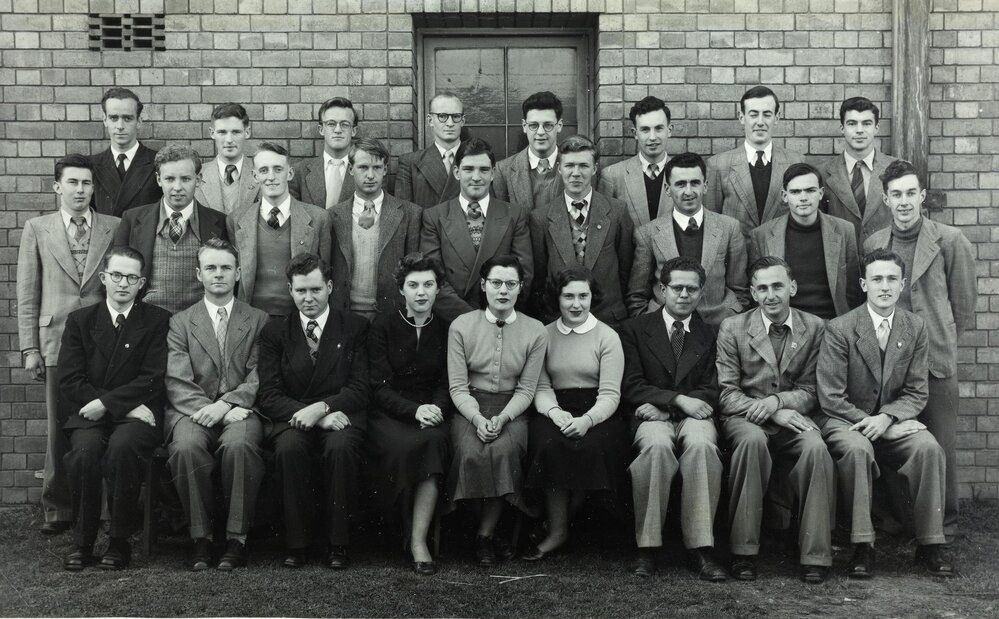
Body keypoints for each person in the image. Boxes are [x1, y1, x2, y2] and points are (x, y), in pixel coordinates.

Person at [817, 248, 953, 578]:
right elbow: (831, 397)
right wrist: (877, 425)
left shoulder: (915, 326)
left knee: (928, 448)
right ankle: (864, 546)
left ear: (903, 284)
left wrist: (888, 419)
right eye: (877, 279)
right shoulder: (840, 328)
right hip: (846, 420)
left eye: (892, 279)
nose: (884, 286)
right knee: (859, 450)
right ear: (864, 284)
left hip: (891, 419)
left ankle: (930, 545)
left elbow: (917, 390)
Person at [864, 160, 976, 537]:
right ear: (886, 199)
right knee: (897, 441)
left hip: (936, 361)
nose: (905, 202)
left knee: (939, 443)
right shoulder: (875, 243)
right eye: (897, 194)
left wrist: (936, 341)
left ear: (923, 196)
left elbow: (962, 307)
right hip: (889, 361)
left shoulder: (950, 240)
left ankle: (944, 524)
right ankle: (900, 519)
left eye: (911, 193)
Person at [17, 154, 121, 535]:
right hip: (55, 340)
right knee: (58, 427)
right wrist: (30, 348)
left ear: (95, 188)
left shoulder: (114, 226)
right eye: (73, 183)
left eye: (87, 183)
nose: (80, 190)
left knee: (104, 422)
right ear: (57, 186)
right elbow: (27, 291)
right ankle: (58, 508)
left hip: (103, 342)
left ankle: (106, 510)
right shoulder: (38, 228)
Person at [715, 256, 834, 583]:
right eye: (762, 288)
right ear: (753, 292)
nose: (771, 295)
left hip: (794, 415)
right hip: (746, 416)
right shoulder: (733, 327)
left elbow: (814, 389)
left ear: (792, 287)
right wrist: (769, 408)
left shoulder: (815, 327)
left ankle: (815, 554)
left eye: (778, 286)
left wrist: (779, 402)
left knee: (815, 448)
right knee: (752, 444)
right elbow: (726, 392)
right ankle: (743, 551)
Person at [57, 246, 171, 571]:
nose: (123, 283)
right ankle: (82, 542)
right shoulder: (81, 321)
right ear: (104, 277)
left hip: (136, 414)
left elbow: (153, 378)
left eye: (131, 277)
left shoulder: (157, 320)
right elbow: (69, 379)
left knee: (123, 448)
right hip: (90, 411)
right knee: (84, 452)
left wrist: (110, 404)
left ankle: (119, 541)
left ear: (141, 282)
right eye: (117, 275)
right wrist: (119, 406)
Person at [255, 253, 369, 569]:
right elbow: (270, 395)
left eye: (316, 290)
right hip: (294, 417)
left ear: (330, 287)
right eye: (301, 291)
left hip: (341, 413)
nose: (309, 298)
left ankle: (338, 544)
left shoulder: (355, 326)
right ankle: (298, 544)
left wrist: (323, 408)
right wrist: (313, 414)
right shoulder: (275, 332)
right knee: (289, 449)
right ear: (290, 290)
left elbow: (361, 388)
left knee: (341, 447)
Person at [165, 238, 269, 571]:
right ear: (199, 274)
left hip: (241, 408)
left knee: (239, 446)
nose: (218, 274)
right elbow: (177, 380)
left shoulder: (258, 319)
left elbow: (259, 374)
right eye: (211, 267)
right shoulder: (181, 321)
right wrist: (207, 409)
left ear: (238, 273)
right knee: (185, 448)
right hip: (192, 409)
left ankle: (236, 539)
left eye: (226, 267)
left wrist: (226, 405)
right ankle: (201, 538)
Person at [619, 257, 726, 580]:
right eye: (676, 288)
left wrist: (671, 408)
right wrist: (676, 400)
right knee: (656, 448)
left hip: (693, 413)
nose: (684, 295)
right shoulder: (634, 329)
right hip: (651, 413)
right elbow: (631, 384)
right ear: (661, 289)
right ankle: (647, 547)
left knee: (703, 446)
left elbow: (712, 387)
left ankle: (701, 547)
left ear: (701, 292)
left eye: (691, 289)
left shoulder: (709, 333)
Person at [446, 256, 548, 566]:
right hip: (470, 408)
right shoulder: (461, 325)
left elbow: (527, 389)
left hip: (511, 409)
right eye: (496, 283)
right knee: (470, 452)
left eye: (510, 284)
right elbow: (458, 387)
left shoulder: (535, 330)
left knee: (503, 451)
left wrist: (503, 418)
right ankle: (480, 528)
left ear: (520, 288)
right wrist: (477, 418)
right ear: (483, 285)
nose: (503, 291)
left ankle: (485, 535)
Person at [522, 267, 629, 561]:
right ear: (557, 299)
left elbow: (610, 394)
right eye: (568, 296)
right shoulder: (543, 335)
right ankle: (558, 531)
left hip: (597, 411)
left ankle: (564, 523)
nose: (576, 304)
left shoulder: (608, 337)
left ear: (593, 297)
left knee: (591, 446)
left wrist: (586, 420)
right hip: (555, 407)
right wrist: (555, 414)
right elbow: (541, 386)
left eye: (583, 296)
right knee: (549, 442)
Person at [366, 253, 452, 575]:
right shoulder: (383, 326)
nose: (421, 292)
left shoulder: (445, 329)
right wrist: (414, 410)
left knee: (432, 443)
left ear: (437, 289)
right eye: (413, 285)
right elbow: (379, 387)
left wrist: (436, 410)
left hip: (432, 411)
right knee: (402, 447)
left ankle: (418, 540)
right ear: (401, 289)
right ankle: (397, 530)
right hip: (391, 412)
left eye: (428, 284)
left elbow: (447, 382)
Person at [627, 152, 749, 327]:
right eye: (680, 184)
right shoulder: (648, 233)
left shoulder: (729, 228)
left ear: (705, 186)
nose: (689, 191)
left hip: (717, 326)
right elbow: (637, 295)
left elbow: (740, 290)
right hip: (665, 328)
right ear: (668, 189)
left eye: (695, 183)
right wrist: (650, 328)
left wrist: (731, 320)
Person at [420, 137, 533, 320]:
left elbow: (524, 275)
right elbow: (432, 279)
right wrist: (473, 320)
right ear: (456, 172)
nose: (476, 177)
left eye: (484, 170)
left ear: (493, 173)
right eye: (468, 169)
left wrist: (495, 314)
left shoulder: (514, 215)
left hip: (501, 319)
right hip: (453, 321)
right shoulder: (434, 217)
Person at [529, 135, 634, 327]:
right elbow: (540, 277)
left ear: (594, 169)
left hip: (609, 320)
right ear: (559, 169)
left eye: (584, 166)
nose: (576, 173)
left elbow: (626, 270)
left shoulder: (617, 212)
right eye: (569, 166)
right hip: (559, 321)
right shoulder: (541, 218)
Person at [114, 144, 229, 314]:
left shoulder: (218, 221)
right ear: (159, 180)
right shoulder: (132, 219)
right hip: (147, 319)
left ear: (198, 180)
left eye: (185, 179)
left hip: (200, 319)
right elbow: (118, 274)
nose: (177, 187)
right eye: (169, 179)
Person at [227, 141, 333, 317]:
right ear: (254, 176)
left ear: (290, 173)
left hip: (299, 318)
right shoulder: (236, 220)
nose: (271, 177)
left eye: (278, 169)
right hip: (252, 318)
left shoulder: (318, 218)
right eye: (263, 170)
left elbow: (326, 274)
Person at [748, 162, 862, 318]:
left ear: (821, 193)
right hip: (785, 324)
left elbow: (853, 289)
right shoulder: (762, 235)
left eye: (810, 190)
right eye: (795, 192)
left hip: (832, 322)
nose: (803, 198)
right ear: (784, 196)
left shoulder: (844, 230)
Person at [328, 138, 422, 320]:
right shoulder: (332, 216)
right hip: (344, 314)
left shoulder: (410, 214)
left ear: (385, 170)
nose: (370, 175)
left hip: (391, 314)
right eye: (363, 167)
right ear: (350, 170)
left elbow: (414, 271)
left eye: (377, 168)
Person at [704, 86, 806, 240]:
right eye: (753, 114)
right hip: (737, 257)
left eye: (767, 114)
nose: (760, 122)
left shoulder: (795, 161)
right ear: (741, 117)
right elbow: (712, 224)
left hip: (781, 258)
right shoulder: (718, 165)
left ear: (776, 117)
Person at [817, 97, 898, 249]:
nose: (859, 130)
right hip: (841, 261)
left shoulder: (897, 169)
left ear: (876, 128)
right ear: (842, 128)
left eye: (866, 123)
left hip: (885, 262)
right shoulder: (822, 173)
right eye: (852, 123)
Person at [598, 96, 674, 226]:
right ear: (635, 133)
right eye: (645, 129)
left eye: (659, 128)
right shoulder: (613, 176)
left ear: (669, 130)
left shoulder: (686, 173)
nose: (652, 137)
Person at [88, 87, 162, 216]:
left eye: (127, 118)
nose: (120, 126)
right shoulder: (91, 165)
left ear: (139, 121)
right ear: (105, 120)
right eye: (113, 118)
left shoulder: (158, 162)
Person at [493, 91, 566, 210]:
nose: (541, 132)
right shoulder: (503, 171)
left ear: (559, 125)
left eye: (548, 125)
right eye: (533, 125)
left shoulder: (578, 166)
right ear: (524, 126)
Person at [395, 93, 465, 208]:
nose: (450, 123)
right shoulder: (410, 163)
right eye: (442, 116)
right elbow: (405, 215)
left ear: (462, 121)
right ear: (430, 120)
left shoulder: (478, 159)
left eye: (456, 116)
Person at [289, 96, 357, 209]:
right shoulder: (300, 172)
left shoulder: (368, 170)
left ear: (354, 131)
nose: (338, 130)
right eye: (331, 124)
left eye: (345, 124)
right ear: (321, 129)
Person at [195, 103, 259, 214]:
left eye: (236, 132)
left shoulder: (262, 173)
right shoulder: (197, 175)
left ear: (247, 132)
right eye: (222, 132)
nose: (229, 139)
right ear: (212, 133)